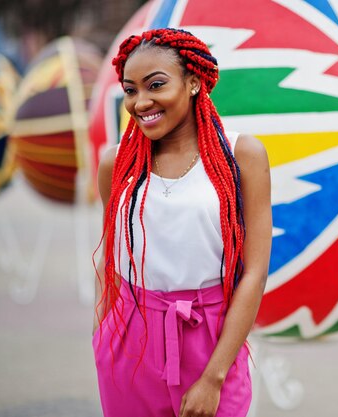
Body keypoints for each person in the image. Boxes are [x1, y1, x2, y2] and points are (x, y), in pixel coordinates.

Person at [92, 27, 272, 417]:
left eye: (155, 85)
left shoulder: (242, 155)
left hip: (210, 338)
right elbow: (111, 251)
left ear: (193, 82)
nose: (141, 102)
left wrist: (214, 377)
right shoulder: (116, 162)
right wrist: (103, 333)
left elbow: (254, 273)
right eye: (130, 89)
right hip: (130, 336)